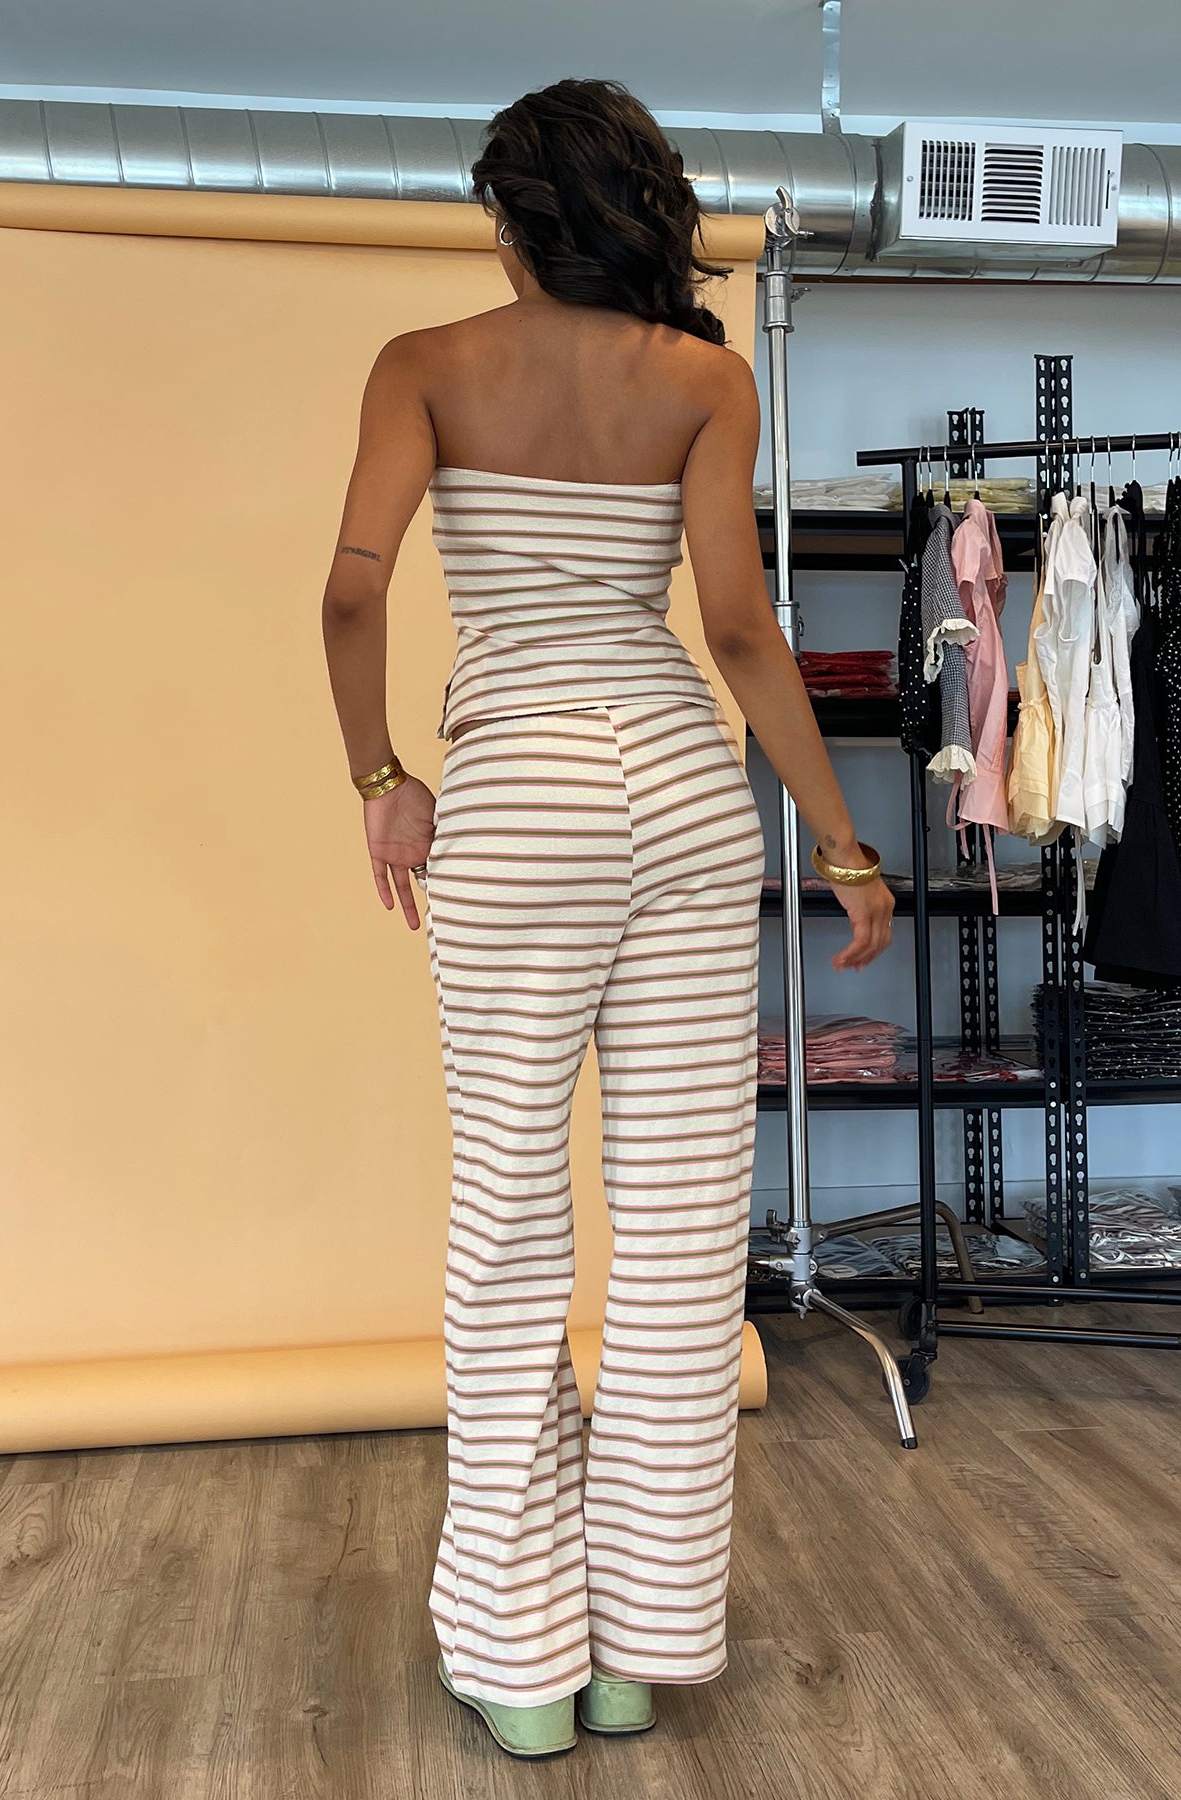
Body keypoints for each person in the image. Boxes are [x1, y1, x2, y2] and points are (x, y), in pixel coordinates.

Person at [321, 77, 894, 1761]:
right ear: (641, 210)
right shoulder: (707, 379)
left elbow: (349, 590)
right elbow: (739, 627)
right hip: (682, 795)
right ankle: (642, 1647)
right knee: (681, 1229)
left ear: (513, 218)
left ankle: (521, 1664)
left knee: (509, 1213)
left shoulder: (424, 364)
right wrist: (846, 849)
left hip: (521, 799)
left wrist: (381, 779)